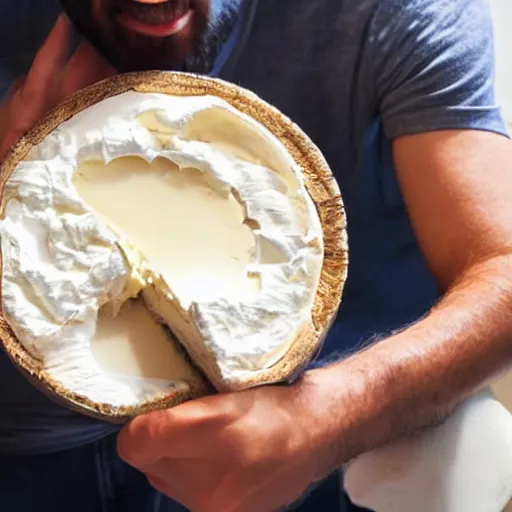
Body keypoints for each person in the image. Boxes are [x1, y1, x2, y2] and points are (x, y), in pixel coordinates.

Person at [1, 0, 511, 511]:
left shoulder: (392, 14)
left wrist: (323, 418)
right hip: (27, 445)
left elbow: (504, 275)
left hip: (306, 432)